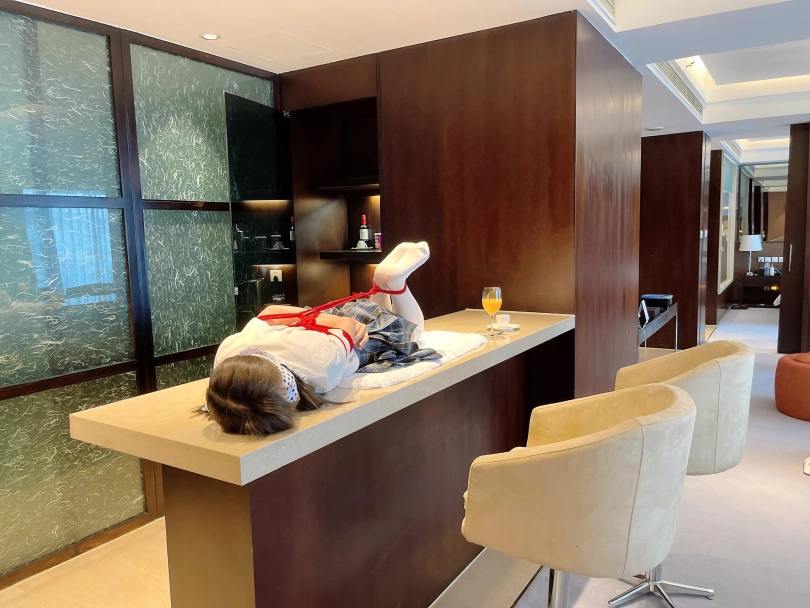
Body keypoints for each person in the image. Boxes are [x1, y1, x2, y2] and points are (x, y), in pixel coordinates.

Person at [201, 242, 438, 437]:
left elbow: (348, 327)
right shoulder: (228, 354)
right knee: (375, 315)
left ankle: (395, 282)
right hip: (311, 325)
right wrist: (312, 318)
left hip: (338, 338)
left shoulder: (321, 367)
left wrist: (338, 324)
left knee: (411, 333)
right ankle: (381, 280)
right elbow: (269, 313)